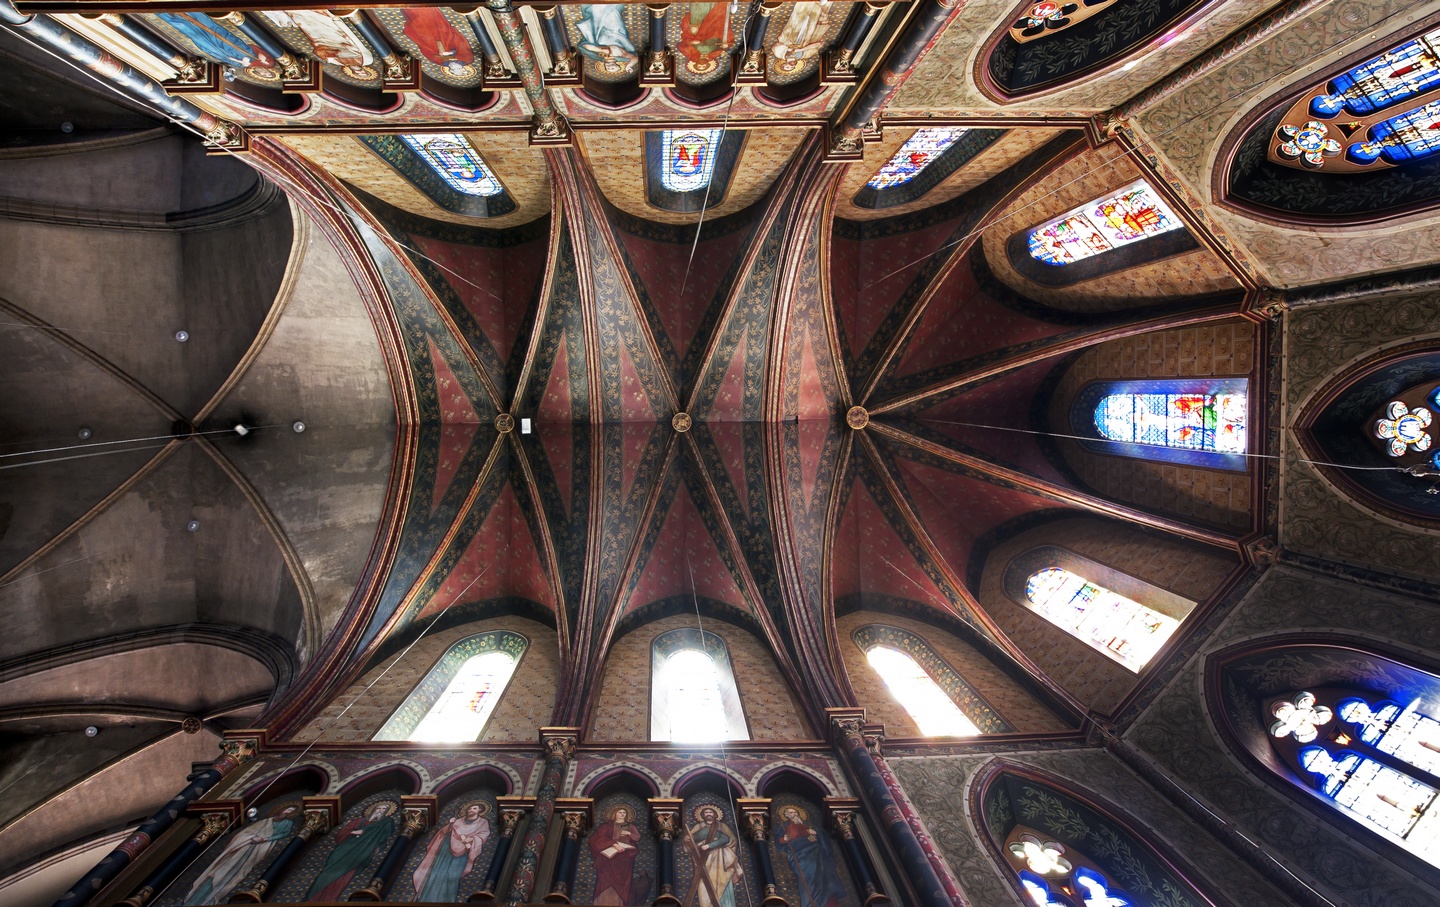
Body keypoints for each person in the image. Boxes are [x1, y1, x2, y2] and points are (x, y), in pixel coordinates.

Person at [183, 804, 298, 905]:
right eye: (287, 809)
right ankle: (198, 897)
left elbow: (285, 833)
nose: (287, 812)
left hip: (260, 848)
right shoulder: (266, 821)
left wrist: (265, 838)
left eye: (290, 811)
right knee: (220, 869)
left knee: (238, 871)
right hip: (245, 845)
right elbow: (247, 832)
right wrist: (249, 838)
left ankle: (214, 897)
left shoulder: (287, 823)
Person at [304, 800, 398, 902]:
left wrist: (376, 849)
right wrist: (353, 831)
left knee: (344, 878)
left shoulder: (385, 823)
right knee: (325, 875)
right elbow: (340, 834)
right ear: (374, 809)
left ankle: (330, 900)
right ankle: (311, 899)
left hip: (361, 853)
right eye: (379, 808)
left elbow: (384, 838)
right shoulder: (358, 821)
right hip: (344, 850)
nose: (380, 810)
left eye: (384, 809)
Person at [412, 800, 491, 901]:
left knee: (452, 877)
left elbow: (483, 834)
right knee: (436, 873)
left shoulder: (483, 822)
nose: (471, 810)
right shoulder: (458, 821)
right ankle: (426, 899)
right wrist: (449, 825)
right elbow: (443, 834)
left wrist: (471, 839)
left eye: (474, 808)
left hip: (462, 855)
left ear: (480, 810)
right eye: (470, 808)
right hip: (445, 851)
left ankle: (446, 901)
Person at [774, 805, 844, 907]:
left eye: (795, 812)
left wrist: (815, 834)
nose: (794, 814)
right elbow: (779, 842)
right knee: (808, 879)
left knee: (824, 878)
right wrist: (784, 839)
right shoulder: (784, 827)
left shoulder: (806, 825)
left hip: (816, 854)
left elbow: (816, 838)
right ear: (786, 815)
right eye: (791, 813)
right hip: (800, 856)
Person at [684, 805, 743, 907]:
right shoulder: (698, 827)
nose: (708, 814)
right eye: (706, 813)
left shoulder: (722, 826)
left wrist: (711, 845)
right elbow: (691, 841)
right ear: (702, 815)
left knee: (722, 880)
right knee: (703, 884)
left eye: (710, 812)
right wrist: (686, 840)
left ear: (715, 815)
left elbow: (730, 840)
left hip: (721, 859)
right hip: (703, 861)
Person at [588, 804, 642, 904]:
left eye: (624, 812)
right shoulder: (605, 827)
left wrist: (628, 833)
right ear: (615, 814)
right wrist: (613, 844)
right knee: (605, 880)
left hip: (625, 859)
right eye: (620, 812)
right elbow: (595, 840)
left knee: (623, 883)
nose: (622, 814)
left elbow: (637, 837)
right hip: (608, 858)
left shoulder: (630, 827)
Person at [401, 8, 476, 77]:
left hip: (429, 39)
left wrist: (437, 53)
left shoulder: (442, 63)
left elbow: (428, 53)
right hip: (444, 36)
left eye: (452, 70)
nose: (453, 68)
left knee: (418, 26)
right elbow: (462, 45)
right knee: (430, 17)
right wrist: (451, 53)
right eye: (456, 69)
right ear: (462, 68)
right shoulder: (467, 60)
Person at [576, 5, 639, 76]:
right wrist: (628, 66)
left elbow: (584, 46)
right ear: (617, 64)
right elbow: (635, 58)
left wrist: (601, 50)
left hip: (600, 29)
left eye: (607, 69)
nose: (609, 68)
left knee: (596, 11)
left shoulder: (598, 56)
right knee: (612, 12)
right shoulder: (621, 55)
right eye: (612, 68)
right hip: (616, 31)